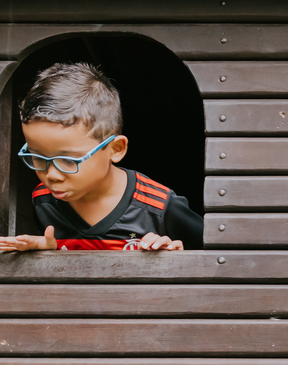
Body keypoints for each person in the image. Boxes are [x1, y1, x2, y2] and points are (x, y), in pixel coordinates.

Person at [0, 62, 201, 253]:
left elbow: (213, 256)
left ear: (116, 149)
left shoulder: (159, 206)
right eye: (37, 157)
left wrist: (176, 254)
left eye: (68, 160)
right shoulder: (43, 200)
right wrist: (45, 253)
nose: (51, 175)